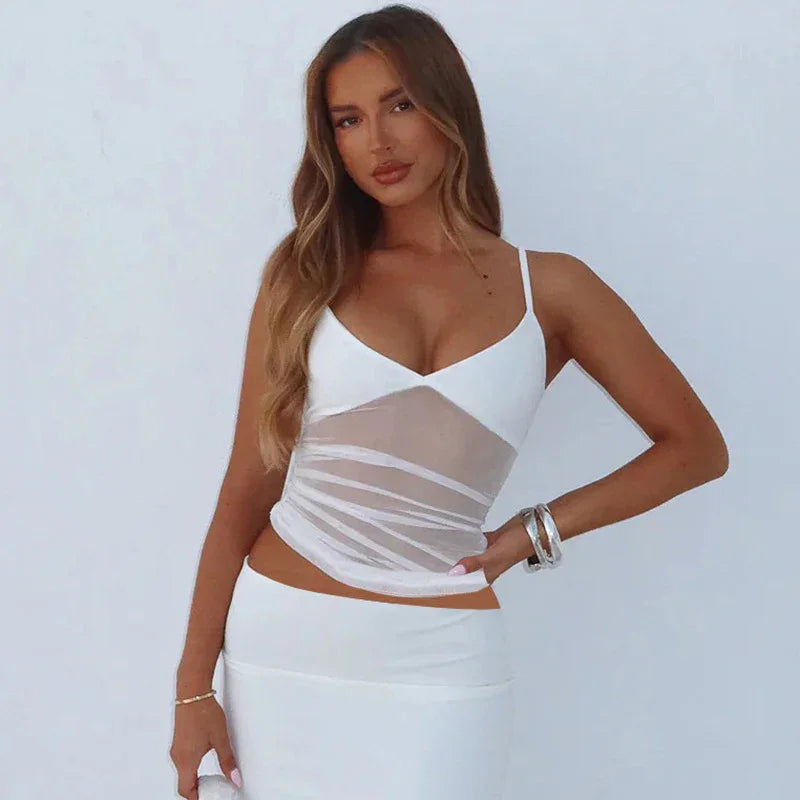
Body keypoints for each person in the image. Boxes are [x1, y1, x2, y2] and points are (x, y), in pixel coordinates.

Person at [169, 5, 729, 799]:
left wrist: (536, 532)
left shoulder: (553, 289)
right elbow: (247, 487)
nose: (379, 142)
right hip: (284, 640)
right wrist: (195, 688)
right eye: (349, 120)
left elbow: (695, 447)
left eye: (399, 104)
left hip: (441, 658)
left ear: (447, 105)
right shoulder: (307, 272)